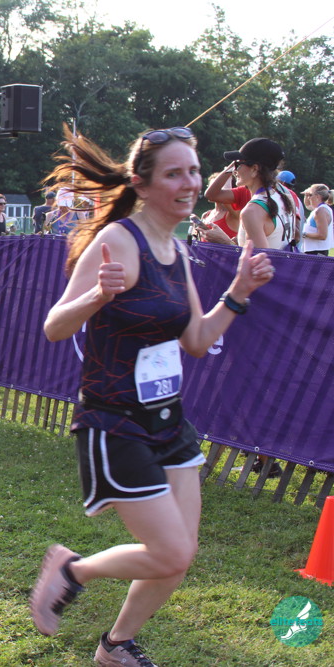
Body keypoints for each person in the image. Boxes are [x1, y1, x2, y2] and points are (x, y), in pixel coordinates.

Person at [31, 125, 274, 667]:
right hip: (115, 421)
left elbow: (197, 340)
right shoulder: (119, 240)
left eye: (194, 171)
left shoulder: (177, 251)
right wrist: (98, 295)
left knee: (178, 557)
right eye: (174, 173)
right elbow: (54, 326)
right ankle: (73, 570)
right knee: (171, 551)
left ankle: (115, 647)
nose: (190, 183)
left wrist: (239, 291)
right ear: (142, 184)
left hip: (168, 421)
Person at [215, 138, 295, 250]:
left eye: (238, 164)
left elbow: (259, 259)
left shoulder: (252, 211)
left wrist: (224, 242)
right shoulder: (285, 197)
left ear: (254, 169)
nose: (234, 170)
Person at [300, 184, 332, 257]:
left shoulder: (321, 211)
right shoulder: (319, 209)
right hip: (313, 251)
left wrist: (303, 234)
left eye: (310, 195)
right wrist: (306, 194)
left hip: (316, 252)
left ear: (317, 196)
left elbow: (322, 235)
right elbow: (307, 205)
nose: (308, 198)